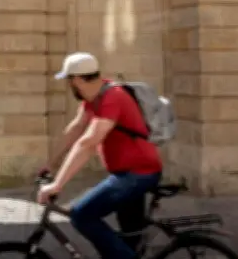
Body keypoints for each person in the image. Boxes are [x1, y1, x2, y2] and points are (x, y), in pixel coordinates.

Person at [36, 52, 163, 259]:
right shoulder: (95, 96)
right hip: (127, 173)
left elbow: (88, 142)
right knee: (129, 240)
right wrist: (50, 164)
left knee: (81, 214)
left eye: (69, 81)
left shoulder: (113, 97)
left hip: (137, 174)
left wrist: (57, 185)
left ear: (77, 80)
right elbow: (76, 129)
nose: (69, 86)